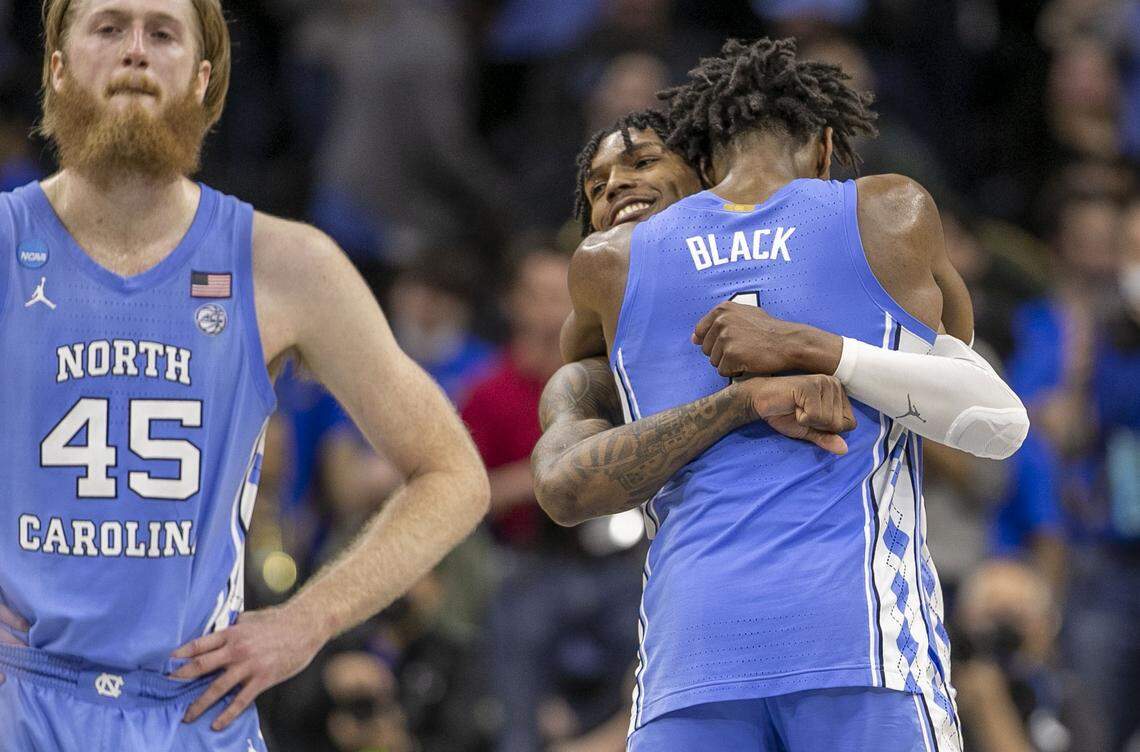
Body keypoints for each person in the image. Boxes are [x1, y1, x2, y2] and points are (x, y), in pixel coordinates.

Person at [0, 1, 490, 750]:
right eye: (108, 27)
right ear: (58, 69)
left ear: (203, 80)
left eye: (162, 33)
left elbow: (454, 474)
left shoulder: (284, 263)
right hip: (20, 695)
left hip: (194, 709)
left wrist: (308, 620)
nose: (135, 51)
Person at [554, 39, 1029, 750]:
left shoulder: (607, 264)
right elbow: (994, 416)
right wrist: (824, 353)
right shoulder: (886, 211)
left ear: (700, 160)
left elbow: (566, 461)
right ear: (827, 144)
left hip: (691, 653)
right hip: (860, 641)